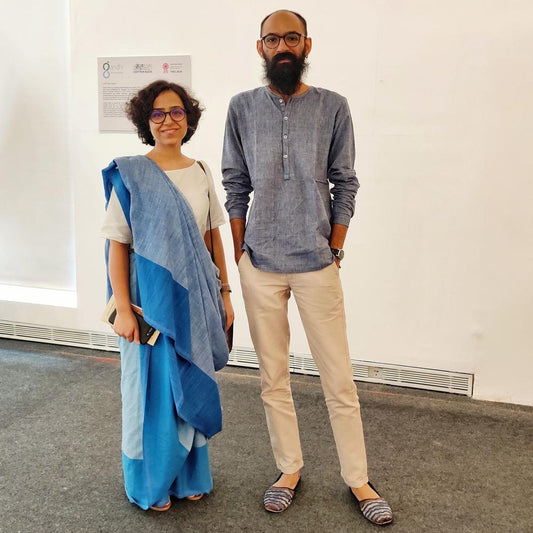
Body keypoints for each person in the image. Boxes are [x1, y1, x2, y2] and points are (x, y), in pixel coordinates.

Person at [222, 10, 392, 526]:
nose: (282, 46)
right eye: (272, 38)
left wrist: (335, 246)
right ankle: (288, 469)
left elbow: (346, 181)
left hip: (317, 262)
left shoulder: (332, 107)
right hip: (261, 266)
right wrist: (241, 249)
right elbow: (235, 183)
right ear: (260, 48)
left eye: (290, 37)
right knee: (273, 377)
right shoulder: (241, 108)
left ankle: (358, 478)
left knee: (338, 378)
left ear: (306, 43)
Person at [101, 80, 234, 511]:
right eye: (157, 114)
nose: (167, 121)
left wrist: (225, 295)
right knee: (150, 391)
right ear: (146, 122)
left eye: (176, 112)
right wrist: (123, 309)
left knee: (190, 377)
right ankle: (151, 482)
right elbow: (117, 245)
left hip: (194, 297)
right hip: (149, 300)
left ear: (188, 118)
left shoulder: (200, 172)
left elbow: (213, 238)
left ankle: (189, 475)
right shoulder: (132, 175)